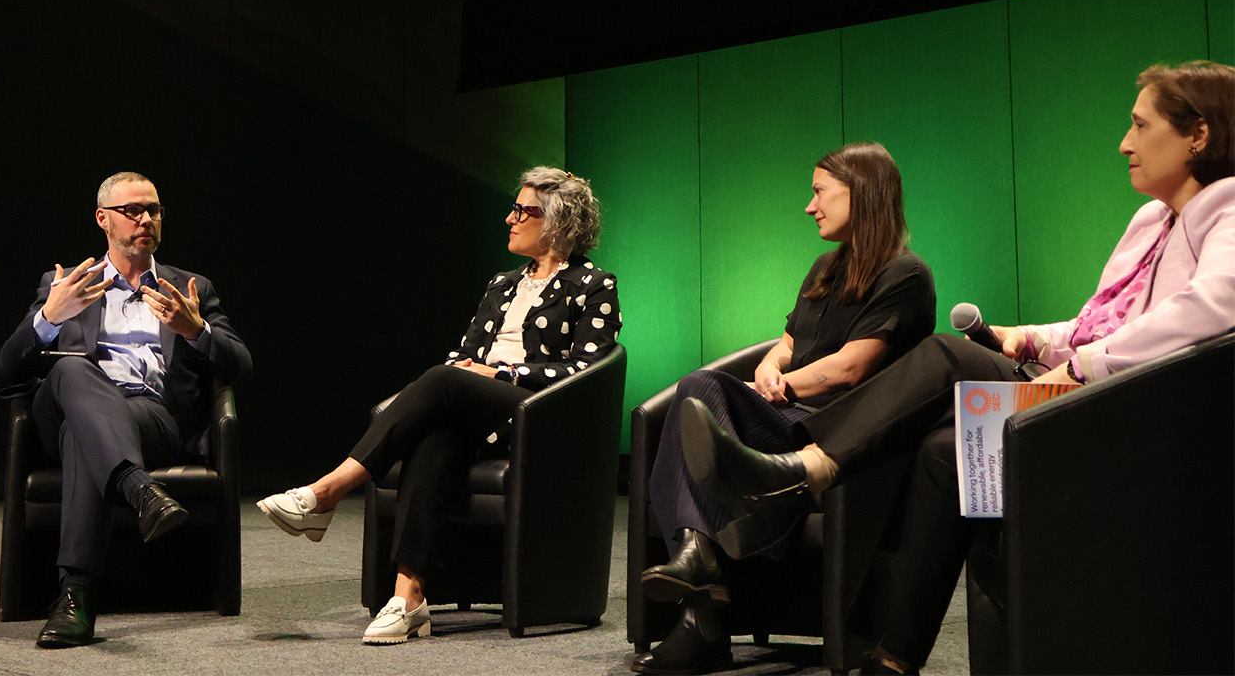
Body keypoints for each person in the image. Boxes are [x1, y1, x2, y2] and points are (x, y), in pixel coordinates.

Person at [680, 61, 1235, 675]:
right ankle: (888, 658)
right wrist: (1027, 340)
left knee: (949, 354)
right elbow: (1094, 325)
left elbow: (1209, 309)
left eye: (1139, 124)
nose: (1124, 143)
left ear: (1198, 135)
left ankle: (798, 473)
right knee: (943, 453)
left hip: (1129, 409)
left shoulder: (1229, 208)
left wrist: (1081, 370)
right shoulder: (1150, 222)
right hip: (1089, 393)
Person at [255, 167, 620, 645]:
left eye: (522, 210)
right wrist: (471, 372)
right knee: (433, 436)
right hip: (474, 406)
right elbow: (463, 354)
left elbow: (586, 370)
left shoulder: (593, 285)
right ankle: (409, 597)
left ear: (557, 223)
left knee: (446, 380)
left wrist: (504, 374)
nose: (509, 219)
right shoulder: (502, 283)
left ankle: (327, 492)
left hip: (537, 414)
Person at [634, 142, 936, 675]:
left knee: (701, 388)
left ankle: (702, 597)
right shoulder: (825, 266)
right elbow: (788, 342)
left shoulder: (906, 275)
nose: (809, 205)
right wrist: (771, 367)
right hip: (785, 415)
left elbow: (851, 368)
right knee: (695, 390)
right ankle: (701, 558)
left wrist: (783, 387)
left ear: (861, 193)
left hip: (834, 431)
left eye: (820, 192)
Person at [0, 172, 251, 649]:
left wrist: (198, 331)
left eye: (153, 210)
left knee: (85, 435)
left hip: (150, 417)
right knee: (72, 373)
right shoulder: (67, 283)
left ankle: (75, 597)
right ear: (103, 220)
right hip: (65, 402)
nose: (145, 220)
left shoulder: (190, 287)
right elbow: (9, 369)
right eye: (132, 211)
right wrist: (50, 318)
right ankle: (139, 490)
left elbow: (242, 365)